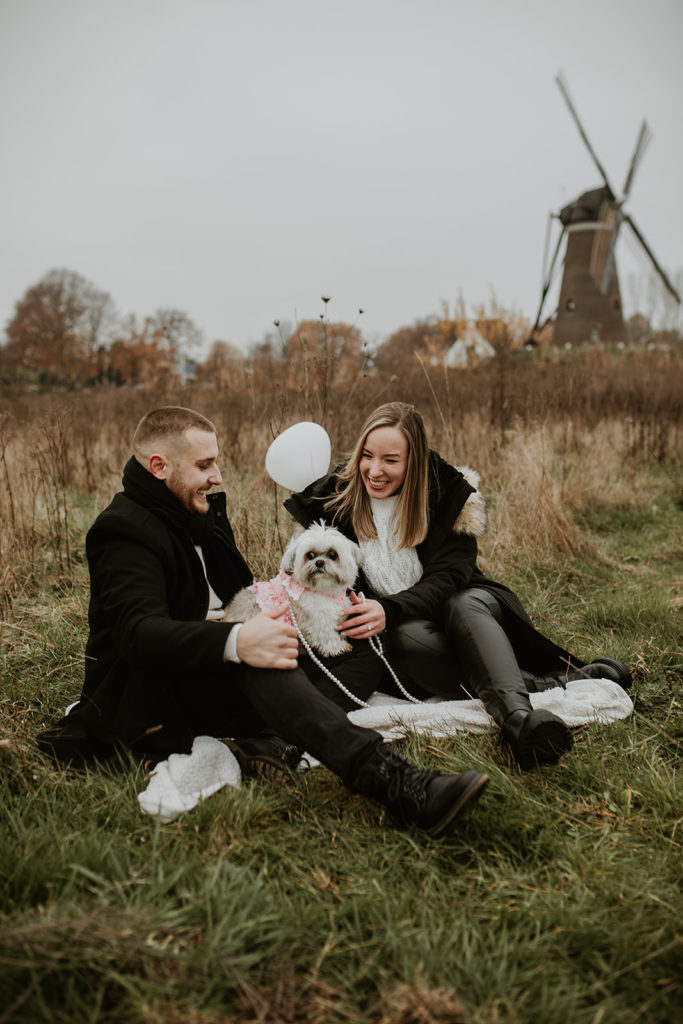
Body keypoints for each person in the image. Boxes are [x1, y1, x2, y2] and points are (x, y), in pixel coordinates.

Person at [36, 406, 489, 837]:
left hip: (210, 673)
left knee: (359, 644)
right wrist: (235, 641)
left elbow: (240, 591)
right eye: (204, 465)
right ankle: (399, 783)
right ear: (159, 467)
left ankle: (275, 741)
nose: (216, 476)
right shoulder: (123, 530)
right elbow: (139, 636)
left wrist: (272, 619)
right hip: (151, 695)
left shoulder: (201, 513)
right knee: (265, 664)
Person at [284, 401, 632, 771]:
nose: (375, 469)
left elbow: (449, 578)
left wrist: (389, 609)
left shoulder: (445, 494)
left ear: (413, 461)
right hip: (411, 634)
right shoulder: (334, 501)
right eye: (367, 456)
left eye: (390, 459)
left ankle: (519, 722)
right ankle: (561, 681)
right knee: (404, 637)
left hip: (471, 608)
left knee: (460, 604)